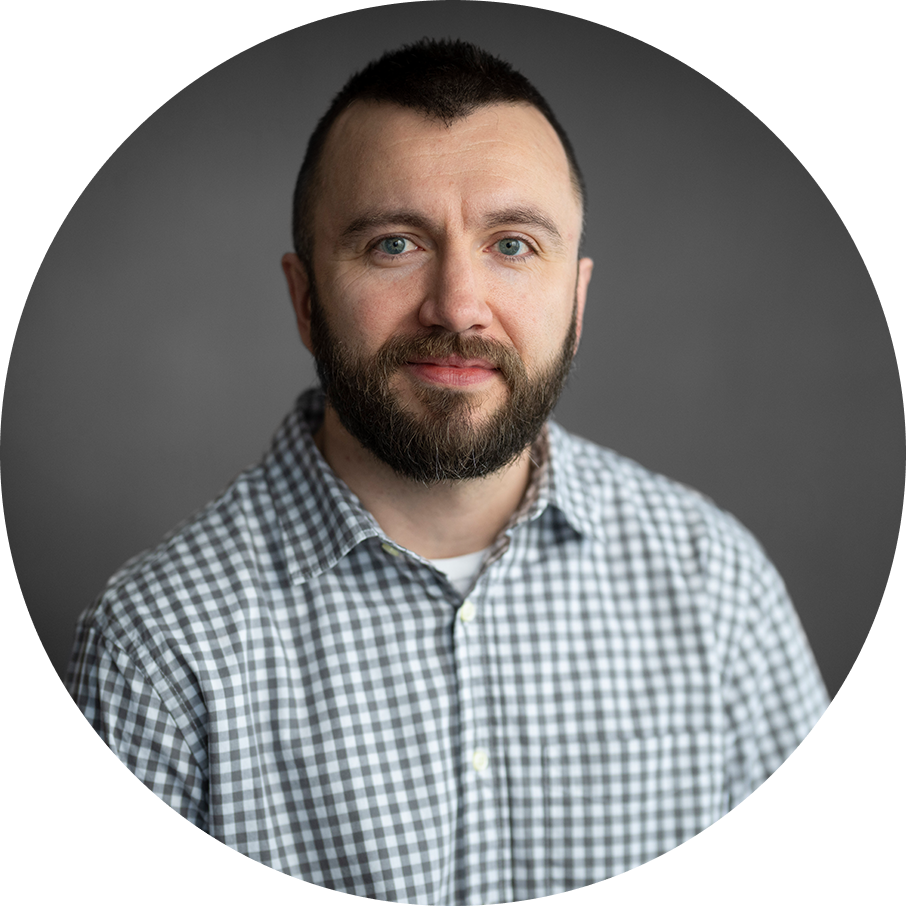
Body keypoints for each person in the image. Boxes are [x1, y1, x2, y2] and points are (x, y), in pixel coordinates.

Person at [38, 39, 887, 905]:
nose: (457, 306)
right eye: (394, 244)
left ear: (577, 302)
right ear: (305, 300)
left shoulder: (716, 587)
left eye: (512, 244)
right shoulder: (157, 650)